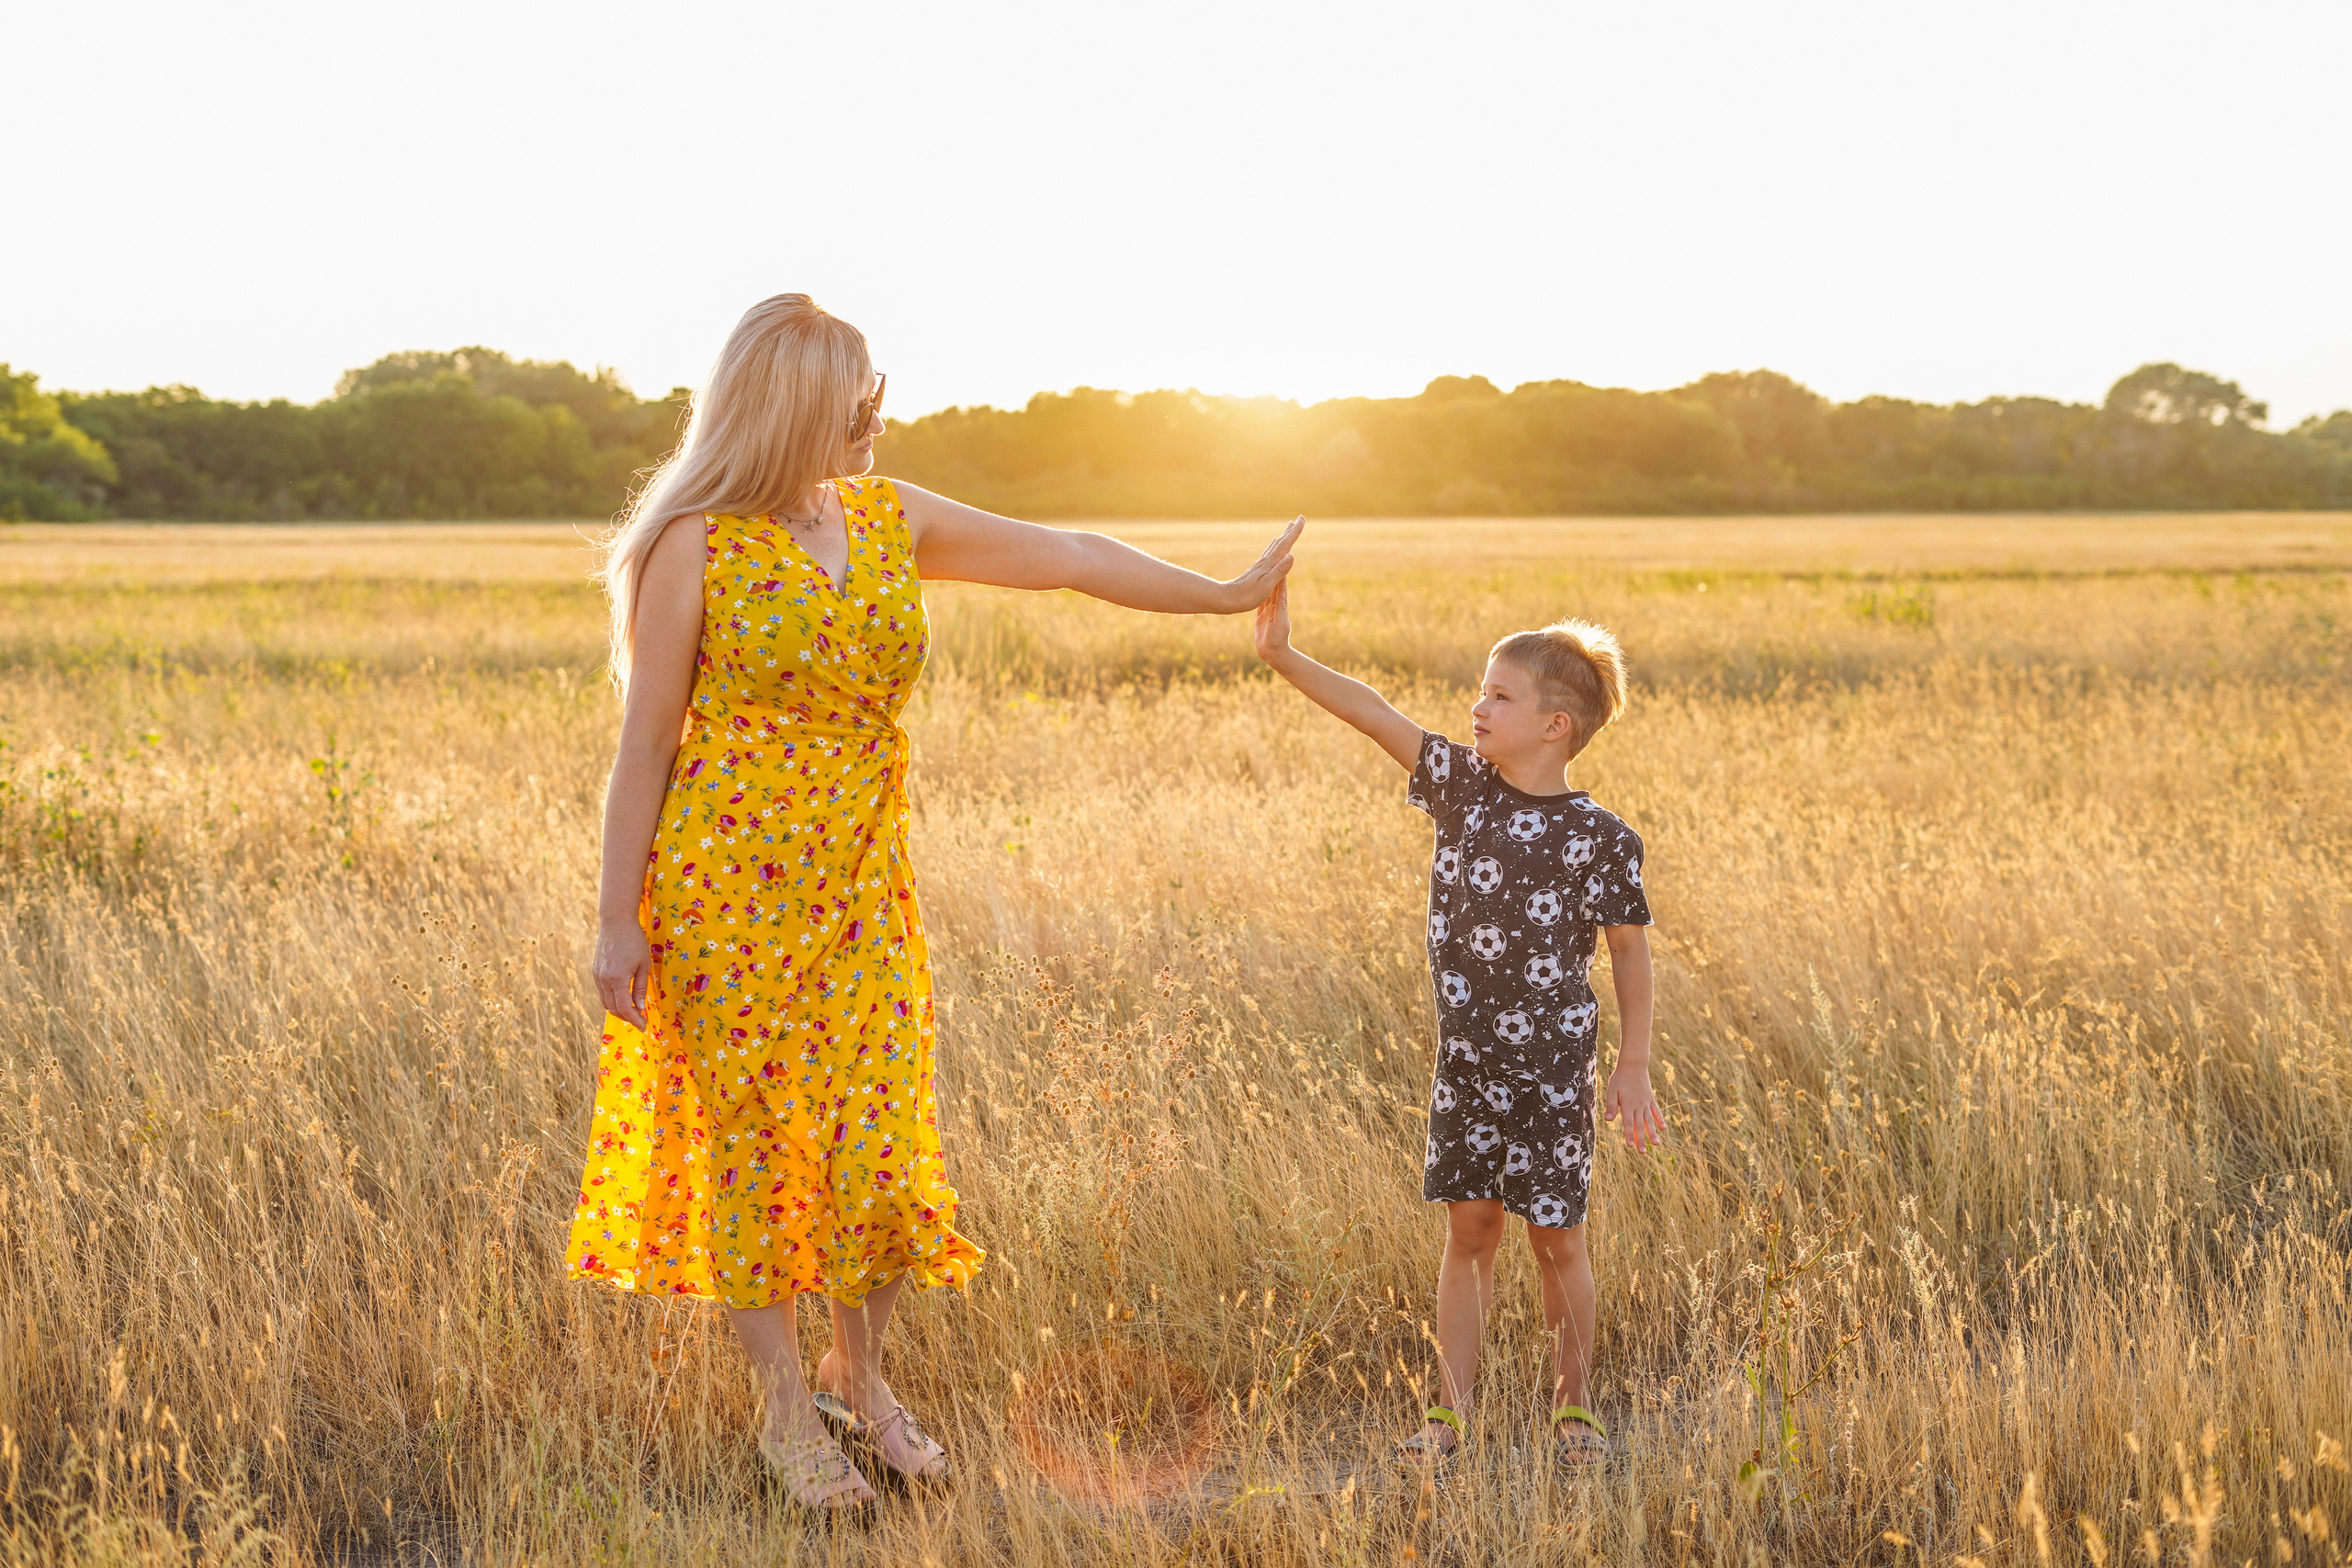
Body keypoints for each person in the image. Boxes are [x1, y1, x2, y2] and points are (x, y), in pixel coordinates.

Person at [566, 293, 1300, 1514]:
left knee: (878, 1145)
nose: (881, 414)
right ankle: (788, 1409)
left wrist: (1221, 596)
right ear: (801, 403)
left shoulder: (886, 513)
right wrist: (612, 918)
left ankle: (867, 1379)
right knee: (756, 1148)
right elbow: (644, 743)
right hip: (726, 895)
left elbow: (1067, 556)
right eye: (863, 399)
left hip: (863, 891)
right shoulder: (691, 542)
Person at [1251, 570, 1666, 1471]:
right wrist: (1281, 653)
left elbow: (1628, 954)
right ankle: (1449, 1416)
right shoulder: (1461, 790)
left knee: (1557, 1239)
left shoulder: (1602, 836)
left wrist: (1630, 1066)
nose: (1476, 707)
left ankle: (1574, 1411)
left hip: (1555, 1066)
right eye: (1480, 690)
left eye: (1499, 695)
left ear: (1555, 724)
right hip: (1467, 1063)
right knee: (1469, 1231)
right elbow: (1370, 712)